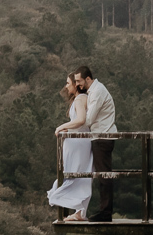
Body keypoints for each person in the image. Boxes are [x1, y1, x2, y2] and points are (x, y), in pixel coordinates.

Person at [47, 73, 93, 222]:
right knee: (78, 174)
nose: (66, 86)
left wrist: (61, 127)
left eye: (68, 83)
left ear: (76, 84)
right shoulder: (81, 99)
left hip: (79, 144)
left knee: (77, 175)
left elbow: (80, 120)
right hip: (77, 143)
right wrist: (69, 130)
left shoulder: (80, 99)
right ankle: (79, 211)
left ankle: (78, 212)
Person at [74, 65, 117, 222]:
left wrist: (77, 115)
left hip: (102, 138)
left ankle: (105, 213)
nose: (78, 84)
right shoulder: (94, 91)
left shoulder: (97, 92)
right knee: (102, 175)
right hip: (100, 137)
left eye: (79, 81)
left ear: (87, 79)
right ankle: (103, 211)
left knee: (104, 176)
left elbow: (89, 119)